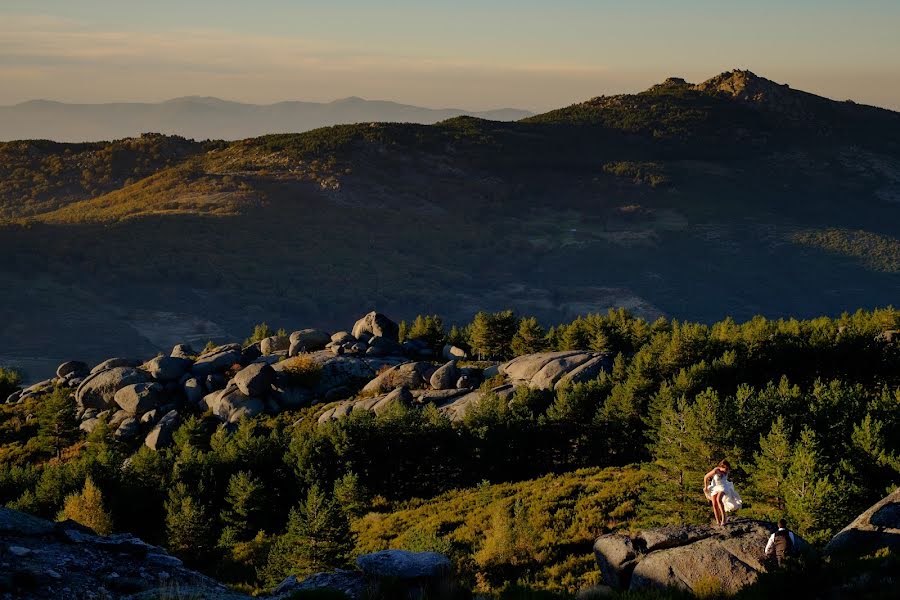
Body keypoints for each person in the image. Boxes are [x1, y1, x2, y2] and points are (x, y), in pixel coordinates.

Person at [703, 459, 742, 526]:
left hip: (723, 486)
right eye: (725, 468)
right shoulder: (716, 470)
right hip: (715, 487)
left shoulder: (726, 471)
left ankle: (724, 519)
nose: (727, 470)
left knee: (719, 500)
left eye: (728, 468)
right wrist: (706, 487)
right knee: (714, 504)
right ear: (721, 466)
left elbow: (723, 479)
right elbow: (706, 477)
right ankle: (718, 521)